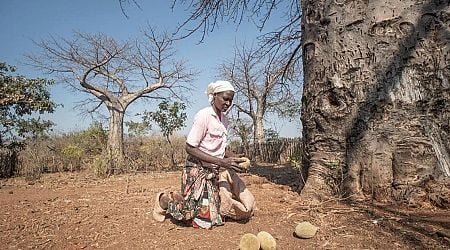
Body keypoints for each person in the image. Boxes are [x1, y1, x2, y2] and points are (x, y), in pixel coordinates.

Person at [152, 80, 256, 229]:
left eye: (231, 100)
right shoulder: (204, 115)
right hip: (196, 170)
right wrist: (222, 162)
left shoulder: (224, 120)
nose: (228, 103)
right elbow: (190, 147)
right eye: (225, 98)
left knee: (213, 217)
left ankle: (189, 201)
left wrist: (236, 158)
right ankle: (163, 200)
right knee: (194, 217)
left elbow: (220, 148)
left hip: (211, 172)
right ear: (214, 96)